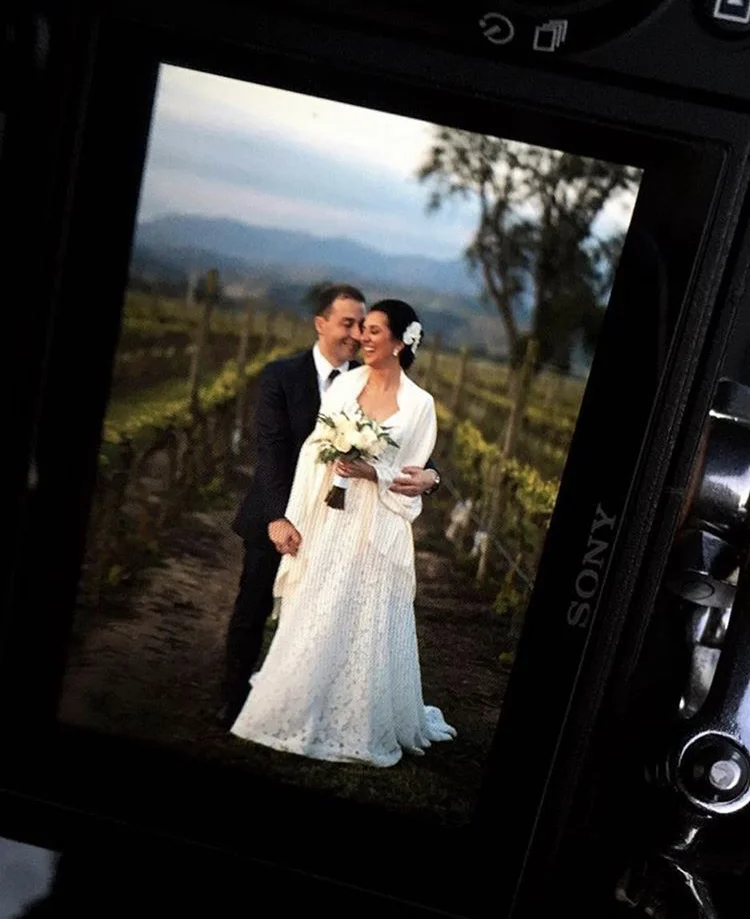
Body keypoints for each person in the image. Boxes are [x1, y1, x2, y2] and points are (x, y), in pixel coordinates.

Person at [230, 300, 456, 767]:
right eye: (361, 329)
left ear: (399, 343)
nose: (363, 338)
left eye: (374, 331)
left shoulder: (420, 405)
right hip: (330, 519)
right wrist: (296, 515)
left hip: (376, 525)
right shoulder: (347, 383)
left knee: (361, 614)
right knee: (320, 607)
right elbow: (312, 447)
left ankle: (354, 716)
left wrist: (377, 472)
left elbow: (416, 471)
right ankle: (296, 702)